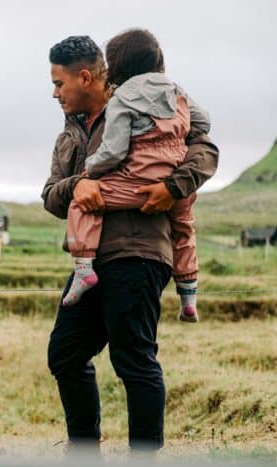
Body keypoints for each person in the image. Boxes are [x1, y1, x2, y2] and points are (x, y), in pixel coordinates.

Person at [43, 33, 219, 453]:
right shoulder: (68, 134)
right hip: (90, 260)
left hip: (139, 252)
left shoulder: (148, 100)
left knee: (134, 361)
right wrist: (78, 187)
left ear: (85, 77)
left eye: (58, 84)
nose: (54, 94)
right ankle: (84, 453)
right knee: (64, 354)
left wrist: (175, 188)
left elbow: (206, 149)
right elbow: (51, 194)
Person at [61, 29, 209, 325]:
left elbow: (114, 151)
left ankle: (83, 267)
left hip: (136, 190)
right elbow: (204, 123)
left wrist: (89, 171)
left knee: (86, 201)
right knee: (185, 230)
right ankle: (188, 294)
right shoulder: (176, 92)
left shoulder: (123, 99)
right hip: (176, 185)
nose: (55, 93)